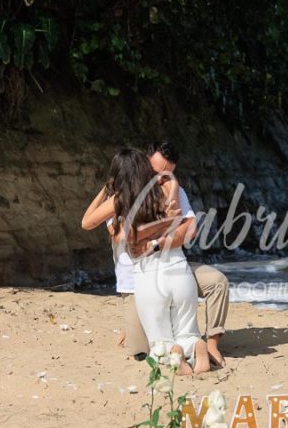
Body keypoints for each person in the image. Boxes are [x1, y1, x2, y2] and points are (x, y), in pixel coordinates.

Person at [82, 142, 230, 367]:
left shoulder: (131, 196)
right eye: (156, 171)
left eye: (167, 173)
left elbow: (108, 230)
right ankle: (189, 343)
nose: (160, 176)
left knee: (155, 343)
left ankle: (209, 343)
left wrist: (154, 242)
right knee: (140, 345)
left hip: (152, 271)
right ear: (144, 164)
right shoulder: (142, 193)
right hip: (152, 275)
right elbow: (172, 222)